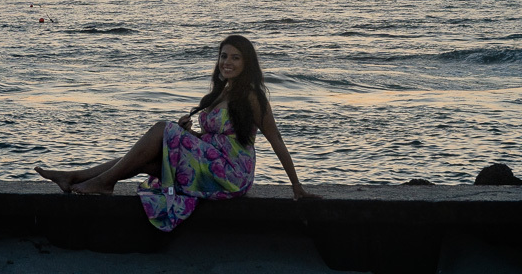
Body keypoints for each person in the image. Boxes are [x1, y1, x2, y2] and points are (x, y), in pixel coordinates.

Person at [35, 34, 315, 231]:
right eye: (223, 56)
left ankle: (102, 182)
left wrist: (296, 185)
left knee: (161, 129)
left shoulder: (252, 96)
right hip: (210, 163)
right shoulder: (219, 93)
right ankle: (75, 176)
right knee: (147, 160)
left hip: (232, 174)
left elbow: (275, 139)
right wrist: (189, 134)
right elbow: (212, 140)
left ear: (247, 63)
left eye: (235, 58)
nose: (227, 62)